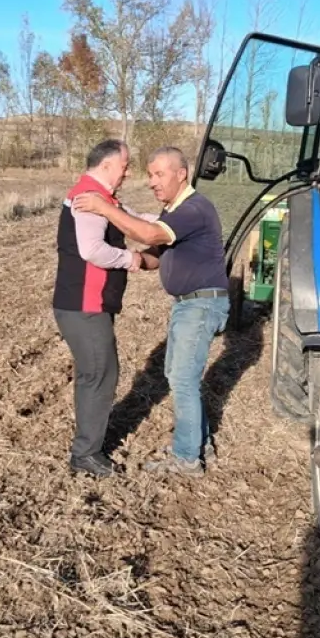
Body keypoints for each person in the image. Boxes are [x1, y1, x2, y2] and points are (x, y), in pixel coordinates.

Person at [72, 145, 229, 477]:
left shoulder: (193, 208)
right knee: (178, 376)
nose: (151, 182)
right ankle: (200, 445)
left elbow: (148, 233)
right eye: (150, 175)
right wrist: (131, 260)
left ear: (181, 174)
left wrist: (103, 207)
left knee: (183, 379)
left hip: (201, 303)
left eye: (159, 174)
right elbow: (155, 252)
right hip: (188, 304)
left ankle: (187, 458)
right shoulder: (177, 212)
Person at [52, 139, 146, 478]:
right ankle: (86, 454)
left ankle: (88, 445)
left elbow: (131, 218)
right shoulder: (88, 198)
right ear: (107, 164)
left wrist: (168, 226)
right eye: (125, 165)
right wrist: (131, 259)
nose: (128, 172)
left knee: (94, 373)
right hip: (84, 306)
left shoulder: (101, 197)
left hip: (83, 305)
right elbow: (91, 250)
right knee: (100, 374)